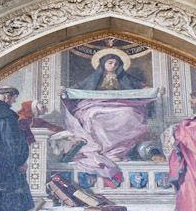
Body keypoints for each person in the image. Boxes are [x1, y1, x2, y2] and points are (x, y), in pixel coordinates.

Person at [61, 49, 155, 187]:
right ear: (103, 63)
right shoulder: (94, 78)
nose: (113, 65)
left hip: (120, 104)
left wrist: (156, 90)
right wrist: (63, 90)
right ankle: (102, 151)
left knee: (129, 113)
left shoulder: (125, 77)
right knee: (92, 115)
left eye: (116, 63)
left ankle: (116, 151)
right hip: (94, 104)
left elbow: (143, 87)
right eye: (110, 62)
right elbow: (77, 88)